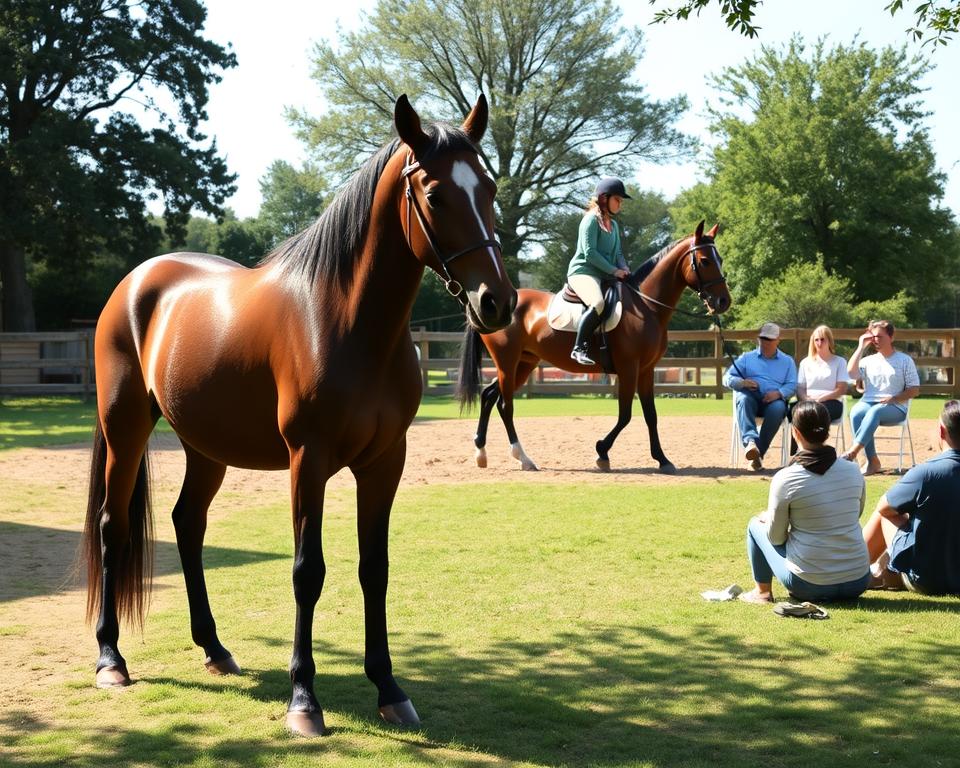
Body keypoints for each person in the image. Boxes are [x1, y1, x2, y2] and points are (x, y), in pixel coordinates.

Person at [739, 401, 870, 604]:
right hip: (858, 580)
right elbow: (856, 514)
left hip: (809, 584)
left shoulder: (786, 478)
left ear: (795, 432)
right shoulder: (853, 470)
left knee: (755, 524)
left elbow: (776, 538)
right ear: (827, 431)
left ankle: (762, 593)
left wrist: (772, 519)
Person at [862, 400, 960, 596]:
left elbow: (884, 508)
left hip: (926, 581)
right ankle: (880, 569)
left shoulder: (926, 473)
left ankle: (857, 566)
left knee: (887, 511)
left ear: (941, 431)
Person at [842, 320, 920, 475]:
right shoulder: (867, 361)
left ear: (891, 337)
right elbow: (851, 373)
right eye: (873, 336)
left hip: (896, 406)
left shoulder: (904, 360)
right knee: (856, 413)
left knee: (875, 411)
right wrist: (861, 346)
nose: (875, 340)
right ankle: (873, 461)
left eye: (879, 336)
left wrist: (895, 398)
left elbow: (914, 390)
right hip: (869, 402)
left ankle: (853, 452)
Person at [567, 177, 631, 365]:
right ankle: (579, 348)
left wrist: (624, 268)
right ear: (604, 198)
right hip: (583, 272)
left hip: (604, 275)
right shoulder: (590, 220)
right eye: (617, 199)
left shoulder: (614, 225)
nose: (620, 204)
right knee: (598, 303)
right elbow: (590, 253)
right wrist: (614, 271)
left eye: (621, 201)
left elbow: (618, 253)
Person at [723, 322, 798, 471]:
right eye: (763, 338)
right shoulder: (747, 358)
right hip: (751, 397)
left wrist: (778, 393)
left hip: (774, 400)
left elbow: (792, 385)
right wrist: (742, 382)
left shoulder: (787, 361)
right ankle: (750, 441)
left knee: (778, 409)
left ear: (778, 340)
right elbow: (727, 378)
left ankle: (756, 454)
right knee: (743, 399)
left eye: (769, 339)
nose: (765, 342)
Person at [787, 325, 849, 454]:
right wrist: (806, 399)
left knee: (815, 413)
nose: (819, 343)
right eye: (816, 340)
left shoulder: (839, 362)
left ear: (829, 341)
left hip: (831, 402)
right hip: (808, 401)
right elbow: (800, 388)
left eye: (823, 339)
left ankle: (816, 452)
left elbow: (842, 389)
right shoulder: (805, 363)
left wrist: (822, 398)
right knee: (793, 411)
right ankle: (797, 453)